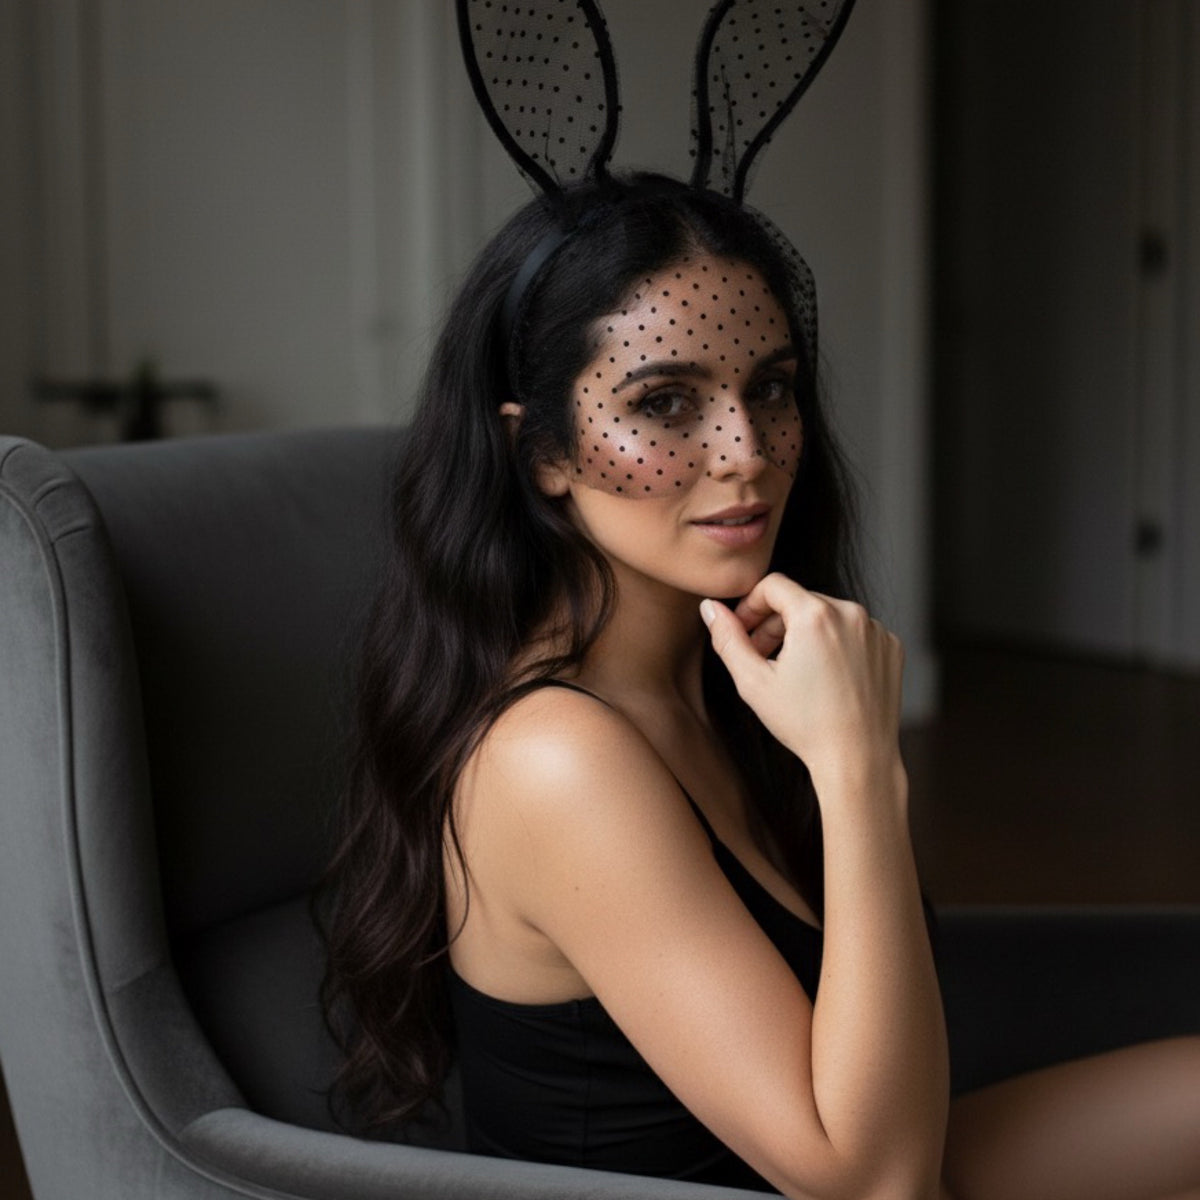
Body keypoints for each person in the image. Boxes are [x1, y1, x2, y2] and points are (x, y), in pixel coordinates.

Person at [320, 4, 1200, 1197]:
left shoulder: (720, 678)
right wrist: (858, 770)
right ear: (543, 454)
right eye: (668, 403)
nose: (747, 449)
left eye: (771, 388)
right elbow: (874, 1181)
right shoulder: (555, 760)